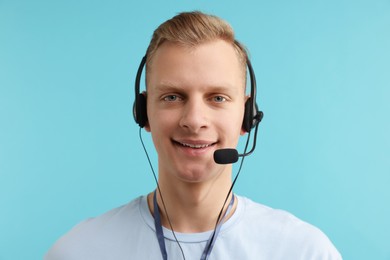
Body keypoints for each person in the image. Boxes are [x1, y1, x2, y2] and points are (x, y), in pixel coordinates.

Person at [45, 11, 342, 260]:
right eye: (173, 97)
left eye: (217, 98)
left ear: (247, 115)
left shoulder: (304, 251)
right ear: (143, 113)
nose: (194, 120)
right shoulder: (78, 251)